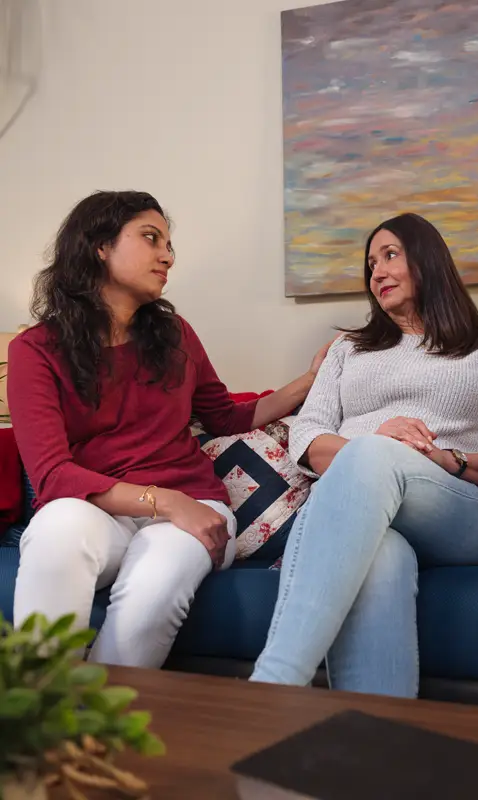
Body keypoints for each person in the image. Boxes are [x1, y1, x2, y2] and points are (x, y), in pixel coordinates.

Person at [9, 191, 331, 668]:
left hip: (195, 508)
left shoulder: (176, 335)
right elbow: (53, 476)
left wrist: (310, 380)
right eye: (151, 238)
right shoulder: (35, 350)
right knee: (55, 528)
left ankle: (102, 726)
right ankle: (42, 715)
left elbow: (224, 417)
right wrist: (163, 499)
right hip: (106, 510)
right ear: (100, 246)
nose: (168, 256)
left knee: (154, 584)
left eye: (169, 244)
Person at [249, 212, 478, 697]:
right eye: (370, 264)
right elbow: (308, 438)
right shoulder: (348, 350)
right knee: (383, 555)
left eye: (389, 255)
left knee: (372, 456)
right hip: (358, 506)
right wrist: (374, 444)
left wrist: (447, 459)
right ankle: (378, 736)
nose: (376, 272)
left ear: (428, 261)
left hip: (455, 512)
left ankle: (272, 686)